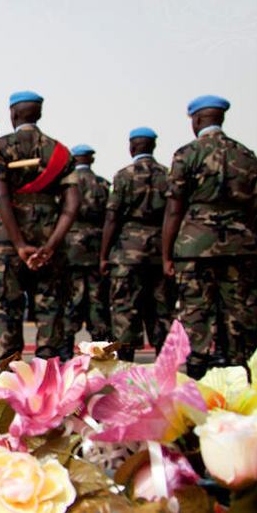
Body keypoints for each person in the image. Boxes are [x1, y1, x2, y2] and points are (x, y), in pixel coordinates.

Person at [162, 95, 257, 379]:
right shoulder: (246, 155)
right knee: (238, 312)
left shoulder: (187, 154)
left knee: (196, 311)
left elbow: (174, 208)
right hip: (240, 246)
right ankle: (238, 376)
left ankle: (197, 376)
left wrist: (167, 254)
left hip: (195, 247)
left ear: (197, 120)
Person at [0, 91, 80, 363]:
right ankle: (47, 371)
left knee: (5, 308)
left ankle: (5, 375)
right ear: (39, 114)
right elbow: (72, 204)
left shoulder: (2, 146)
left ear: (13, 114)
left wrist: (18, 244)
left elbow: (1, 196)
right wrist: (51, 245)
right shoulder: (59, 151)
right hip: (48, 238)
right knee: (49, 308)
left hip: (7, 241)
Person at [99, 127, 173, 361]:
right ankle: (164, 362)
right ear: (154, 146)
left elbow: (112, 217)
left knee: (125, 308)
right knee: (161, 307)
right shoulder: (168, 175)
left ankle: (125, 361)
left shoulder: (124, 176)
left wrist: (104, 255)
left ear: (132, 147)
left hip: (128, 251)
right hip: (160, 248)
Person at [61, 144, 111, 357]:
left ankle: (65, 350)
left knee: (71, 300)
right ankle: (101, 348)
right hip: (96, 249)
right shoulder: (102, 184)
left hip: (70, 248)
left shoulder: (66, 184)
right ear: (91, 159)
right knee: (97, 301)